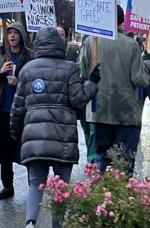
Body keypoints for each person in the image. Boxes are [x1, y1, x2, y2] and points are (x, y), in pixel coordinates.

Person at [10, 26, 99, 228]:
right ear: (60, 44)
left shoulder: (27, 69)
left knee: (35, 183)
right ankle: (57, 225)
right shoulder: (70, 68)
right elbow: (78, 100)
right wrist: (92, 83)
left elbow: (18, 107)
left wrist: (15, 132)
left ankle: (30, 222)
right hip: (63, 136)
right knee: (61, 186)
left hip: (34, 137)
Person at [80, 7, 150, 173]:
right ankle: (121, 195)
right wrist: (147, 64)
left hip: (99, 108)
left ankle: (99, 193)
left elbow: (83, 73)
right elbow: (139, 79)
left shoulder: (91, 41)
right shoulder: (131, 44)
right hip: (125, 111)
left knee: (101, 155)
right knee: (124, 159)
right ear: (121, 21)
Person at [0, 22, 31, 201]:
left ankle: (34, 184)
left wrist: (19, 81)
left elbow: (36, 82)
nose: (12, 36)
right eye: (9, 33)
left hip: (23, 111)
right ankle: (7, 185)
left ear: (21, 35)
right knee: (4, 150)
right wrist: (0, 72)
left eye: (15, 33)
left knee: (28, 148)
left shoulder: (29, 56)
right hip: (4, 109)